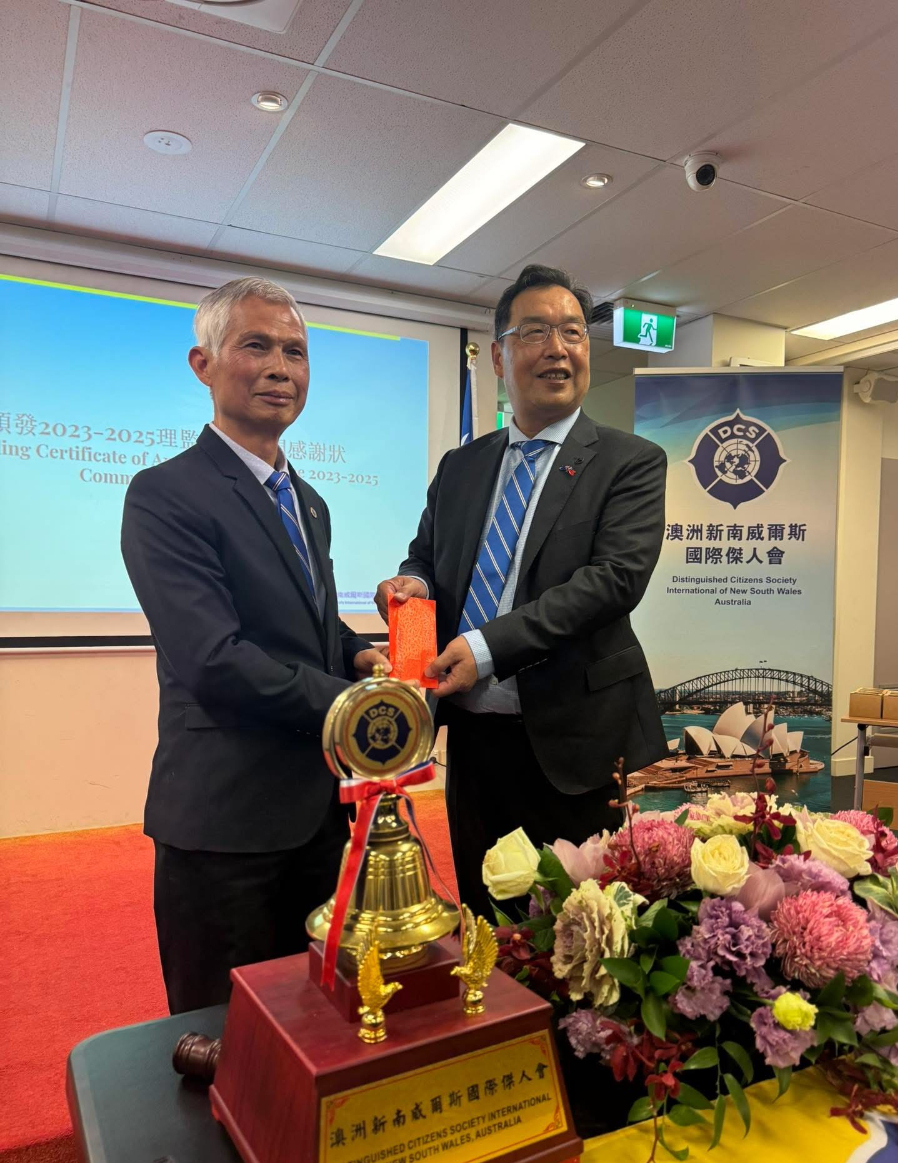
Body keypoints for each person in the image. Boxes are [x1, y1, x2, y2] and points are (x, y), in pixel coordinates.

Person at [122, 276, 387, 1014]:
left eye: (296, 352)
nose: (281, 367)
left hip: (318, 815)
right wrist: (361, 704)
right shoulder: (164, 494)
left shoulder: (309, 501)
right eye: (257, 346)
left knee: (313, 1022)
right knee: (227, 1039)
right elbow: (214, 658)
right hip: (223, 825)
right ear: (203, 365)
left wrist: (361, 654)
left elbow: (308, 624)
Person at [375, 264, 667, 917]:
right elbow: (426, 556)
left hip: (579, 740)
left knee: (585, 925)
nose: (559, 349)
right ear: (501, 354)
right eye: (536, 332)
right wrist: (411, 584)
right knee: (485, 912)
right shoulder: (463, 464)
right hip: (476, 736)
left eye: (573, 333)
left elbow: (613, 581)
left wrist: (483, 647)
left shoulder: (630, 462)